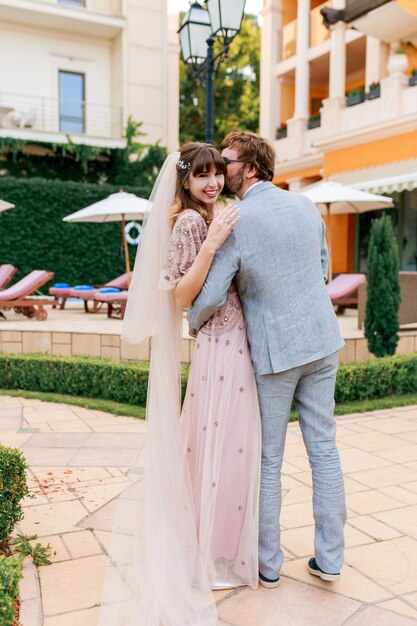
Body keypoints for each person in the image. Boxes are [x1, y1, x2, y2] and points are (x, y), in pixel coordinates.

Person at [98, 143, 260, 626]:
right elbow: (180, 295)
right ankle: (209, 551)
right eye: (203, 176)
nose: (212, 183)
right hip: (219, 340)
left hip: (233, 338)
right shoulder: (192, 222)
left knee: (227, 444)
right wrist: (211, 246)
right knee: (221, 444)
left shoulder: (214, 213)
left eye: (217, 174)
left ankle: (216, 543)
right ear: (185, 181)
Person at [188, 131, 347, 589]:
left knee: (269, 459)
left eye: (228, 160)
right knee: (324, 450)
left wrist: (192, 321)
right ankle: (331, 559)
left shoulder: (236, 218)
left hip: (276, 354)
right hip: (322, 341)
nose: (221, 166)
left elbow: (212, 294)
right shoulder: (305, 204)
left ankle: (268, 565)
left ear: (251, 168)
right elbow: (322, 267)